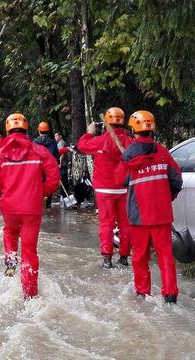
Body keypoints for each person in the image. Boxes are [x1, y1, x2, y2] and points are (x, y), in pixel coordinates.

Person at [0, 113, 60, 299]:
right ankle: (30, 294)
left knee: (9, 231)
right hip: (32, 208)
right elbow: (54, 175)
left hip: (10, 208)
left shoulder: (0, 155)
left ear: (7, 130)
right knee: (30, 251)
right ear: (26, 129)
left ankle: (11, 262)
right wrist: (42, 191)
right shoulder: (39, 151)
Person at [114, 110, 182, 304]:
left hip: (138, 215)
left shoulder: (128, 156)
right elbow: (177, 181)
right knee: (166, 255)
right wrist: (166, 198)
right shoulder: (162, 152)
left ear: (133, 130)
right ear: (152, 129)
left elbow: (119, 180)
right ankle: (170, 296)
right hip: (161, 214)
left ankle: (142, 294)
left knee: (140, 256)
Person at [77, 107, 134, 269]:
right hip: (124, 189)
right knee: (125, 224)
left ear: (106, 123)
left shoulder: (100, 141)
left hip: (104, 190)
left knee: (106, 224)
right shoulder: (130, 142)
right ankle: (124, 256)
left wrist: (89, 132)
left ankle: (107, 259)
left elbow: (81, 145)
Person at [33, 122, 60, 208]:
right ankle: (47, 203)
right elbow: (56, 155)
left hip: (38, 167)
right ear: (47, 131)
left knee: (38, 184)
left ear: (39, 131)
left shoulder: (34, 142)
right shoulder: (52, 143)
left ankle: (39, 202)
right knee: (49, 184)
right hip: (49, 168)